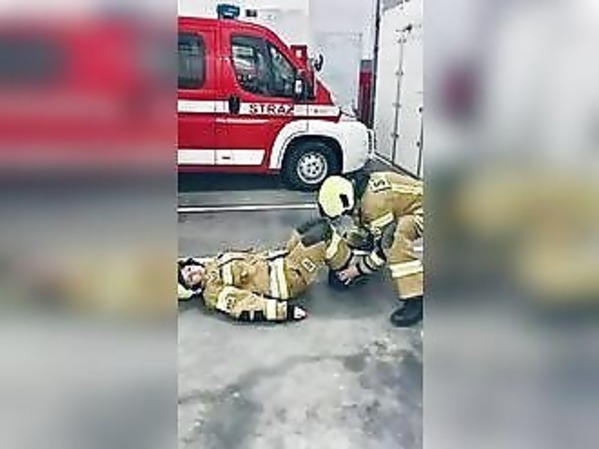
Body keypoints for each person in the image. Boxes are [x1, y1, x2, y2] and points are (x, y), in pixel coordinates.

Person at [178, 217, 354, 323]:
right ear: (192, 289)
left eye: (190, 268)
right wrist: (285, 312)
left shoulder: (214, 263)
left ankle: (336, 257)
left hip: (282, 261)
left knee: (316, 223)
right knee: (322, 234)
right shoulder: (213, 292)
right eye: (190, 278)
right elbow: (244, 305)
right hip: (288, 279)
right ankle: (344, 276)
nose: (194, 272)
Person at [317, 171, 423, 327]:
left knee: (397, 240)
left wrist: (358, 270)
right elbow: (362, 224)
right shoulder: (360, 190)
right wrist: (348, 245)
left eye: (344, 213)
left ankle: (416, 299)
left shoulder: (374, 203)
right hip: (415, 205)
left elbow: (385, 246)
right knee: (367, 236)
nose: (345, 216)